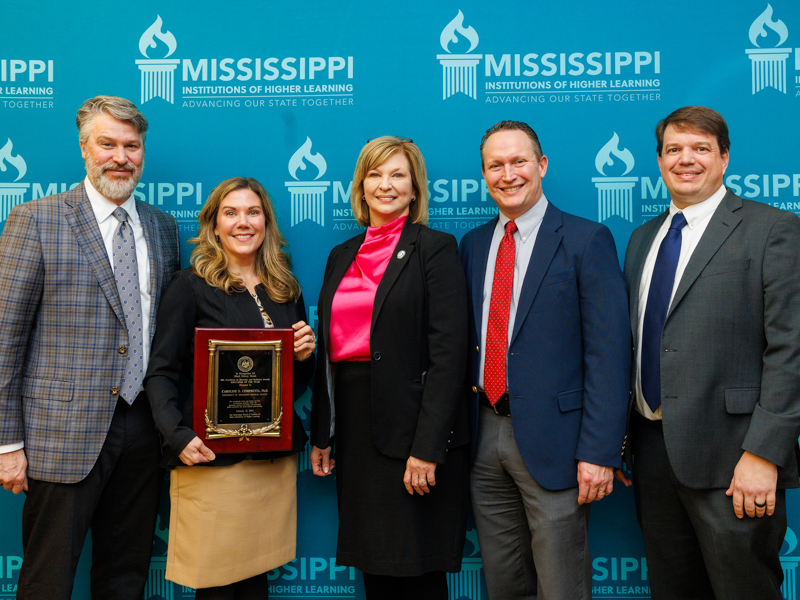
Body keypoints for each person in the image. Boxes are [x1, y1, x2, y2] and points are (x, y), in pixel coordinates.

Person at [616, 106, 800, 599]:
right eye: (673, 149)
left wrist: (764, 454)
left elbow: (791, 349)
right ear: (658, 160)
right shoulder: (642, 239)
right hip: (653, 452)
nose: (686, 160)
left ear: (723, 158)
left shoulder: (772, 230)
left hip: (734, 456)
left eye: (700, 148)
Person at [0, 95, 180, 599]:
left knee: (125, 578)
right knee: (46, 581)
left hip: (144, 428)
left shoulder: (163, 228)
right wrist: (7, 444)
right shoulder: (35, 220)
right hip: (60, 435)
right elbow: (4, 338)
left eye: (132, 145)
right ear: (84, 148)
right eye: (108, 144)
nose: (120, 157)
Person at [459, 121, 630, 600]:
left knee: (561, 586)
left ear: (542, 165)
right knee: (504, 582)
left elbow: (609, 353)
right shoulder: (473, 246)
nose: (508, 174)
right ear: (484, 174)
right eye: (496, 165)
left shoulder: (586, 239)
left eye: (518, 161)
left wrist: (599, 452)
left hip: (557, 443)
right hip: (484, 434)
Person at [309, 136, 469, 600]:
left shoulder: (435, 248)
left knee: (417, 570)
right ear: (360, 187)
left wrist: (427, 447)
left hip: (413, 433)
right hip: (357, 433)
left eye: (398, 175)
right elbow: (331, 352)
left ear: (415, 188)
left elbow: (449, 355)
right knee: (376, 570)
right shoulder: (341, 254)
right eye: (375, 175)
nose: (386, 185)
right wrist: (325, 432)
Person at [144, 176, 316, 598]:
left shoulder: (285, 288)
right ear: (214, 225)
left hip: (269, 461)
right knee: (216, 585)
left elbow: (290, 387)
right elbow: (160, 371)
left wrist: (303, 357)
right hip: (210, 457)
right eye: (231, 213)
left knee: (255, 581)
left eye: (253, 212)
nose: (244, 222)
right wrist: (178, 435)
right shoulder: (189, 286)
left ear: (267, 222)